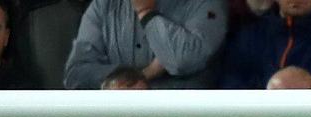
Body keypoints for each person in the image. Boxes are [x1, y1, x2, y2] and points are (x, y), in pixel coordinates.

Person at [63, 0, 227, 89]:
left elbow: (182, 60)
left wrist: (146, 13)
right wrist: (141, 75)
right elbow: (75, 75)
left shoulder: (206, 3)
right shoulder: (103, 5)